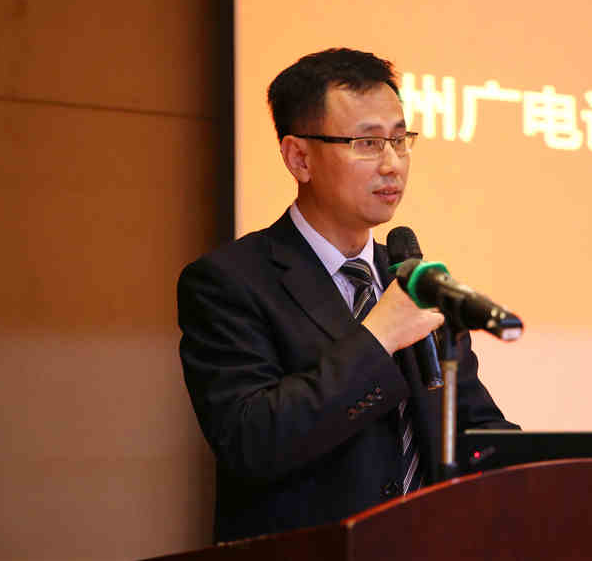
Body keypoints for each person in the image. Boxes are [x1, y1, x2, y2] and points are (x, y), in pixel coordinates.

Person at [178, 48, 517, 543]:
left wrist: (562, 469)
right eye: (367, 143)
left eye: (399, 140)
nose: (392, 164)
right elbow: (252, 443)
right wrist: (379, 337)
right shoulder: (228, 282)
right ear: (299, 158)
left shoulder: (413, 282)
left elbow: (473, 430)